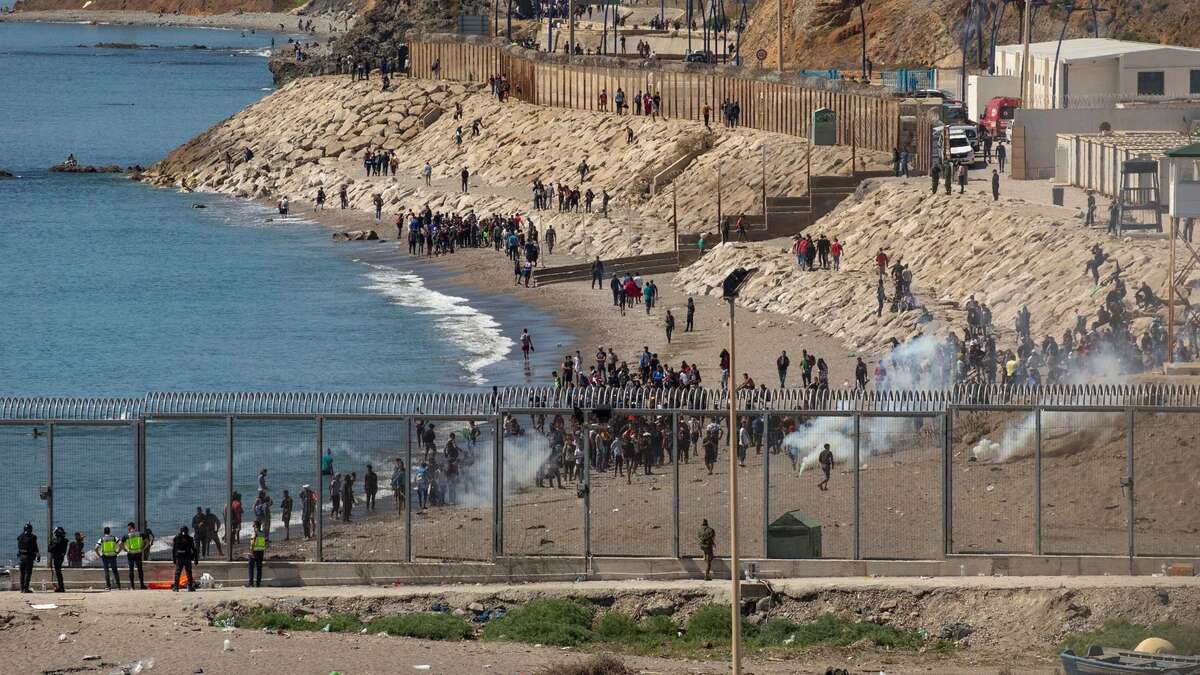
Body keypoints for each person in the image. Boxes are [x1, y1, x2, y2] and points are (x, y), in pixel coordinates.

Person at [122, 522, 147, 590]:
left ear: (130, 527)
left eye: (128, 527)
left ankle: (132, 586)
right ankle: (142, 585)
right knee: (140, 570)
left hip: (130, 554)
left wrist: (125, 549)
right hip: (138, 553)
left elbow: (121, 544)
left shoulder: (126, 536)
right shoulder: (140, 534)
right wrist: (143, 549)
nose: (127, 528)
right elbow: (147, 542)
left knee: (131, 570)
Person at [171, 526, 197, 592]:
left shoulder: (176, 538)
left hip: (179, 558)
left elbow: (174, 549)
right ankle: (190, 587)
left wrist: (174, 559)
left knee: (177, 572)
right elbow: (194, 549)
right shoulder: (190, 538)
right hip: (187, 558)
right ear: (187, 531)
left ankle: (176, 587)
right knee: (189, 572)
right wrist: (195, 559)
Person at [16, 523, 39, 593]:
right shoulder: (33, 537)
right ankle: (26, 589)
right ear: (31, 529)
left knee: (22, 573)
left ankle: (22, 588)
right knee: (28, 573)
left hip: (21, 557)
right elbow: (35, 547)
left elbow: (19, 547)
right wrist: (38, 555)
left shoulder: (20, 537)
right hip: (29, 557)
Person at [247, 522, 268, 587]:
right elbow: (265, 543)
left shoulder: (254, 534)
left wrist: (251, 552)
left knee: (251, 568)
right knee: (259, 569)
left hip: (254, 552)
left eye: (254, 526)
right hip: (260, 552)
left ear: (256, 526)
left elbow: (253, 543)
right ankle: (258, 583)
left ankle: (251, 583)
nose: (253, 527)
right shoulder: (263, 534)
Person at [48, 527, 68, 593]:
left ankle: (61, 587)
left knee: (58, 572)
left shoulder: (62, 541)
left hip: (58, 558)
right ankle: (60, 586)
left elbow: (52, 548)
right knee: (57, 572)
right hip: (57, 557)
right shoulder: (56, 540)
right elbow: (50, 549)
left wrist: (55, 543)